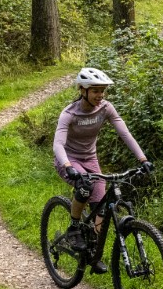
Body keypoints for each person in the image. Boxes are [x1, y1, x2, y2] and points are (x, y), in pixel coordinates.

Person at [53, 67, 152, 272]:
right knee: (84, 188)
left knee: (102, 207)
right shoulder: (69, 113)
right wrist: (68, 166)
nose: (100, 95)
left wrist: (142, 159)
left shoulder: (106, 108)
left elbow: (125, 134)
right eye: (96, 90)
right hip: (69, 160)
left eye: (102, 91)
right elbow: (58, 145)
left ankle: (94, 252)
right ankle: (73, 228)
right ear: (83, 90)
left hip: (90, 159)